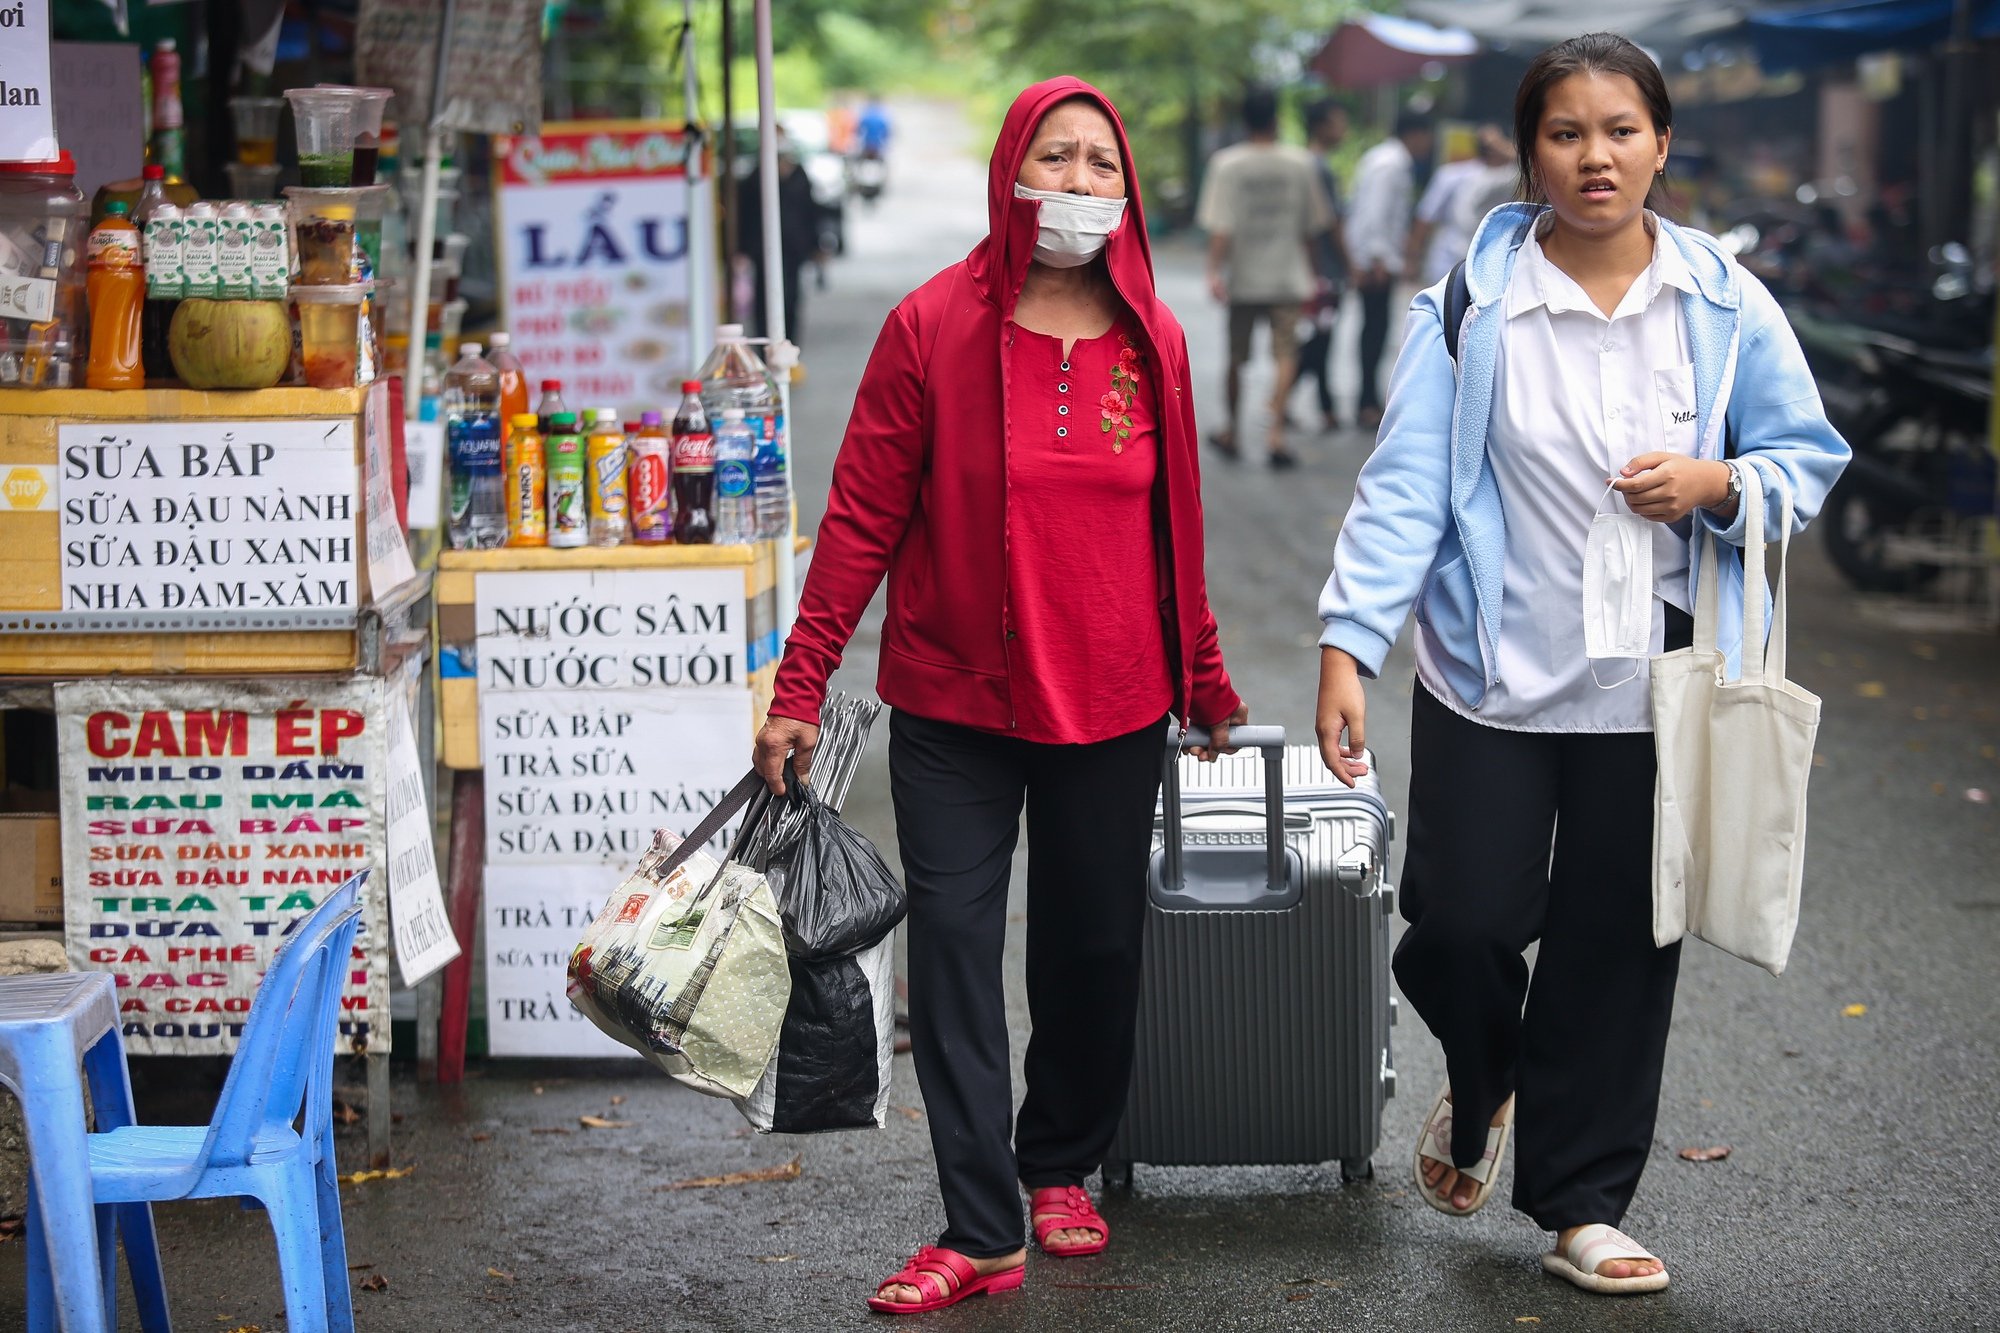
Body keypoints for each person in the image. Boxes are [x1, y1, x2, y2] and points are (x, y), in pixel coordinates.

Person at [1314, 32, 1847, 1298]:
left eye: (1619, 130)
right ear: (1529, 152)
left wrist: (1720, 483)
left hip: (1651, 682)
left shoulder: (1721, 304)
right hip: (1490, 673)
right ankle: (1486, 1073)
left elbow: (1802, 457)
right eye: (1565, 132)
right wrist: (1349, 641)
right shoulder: (1469, 307)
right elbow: (1403, 491)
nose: (1593, 155)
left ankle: (1581, 1204)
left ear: (1661, 145)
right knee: (1458, 926)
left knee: (1617, 945)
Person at [754, 76, 1249, 1316]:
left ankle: (1060, 1163)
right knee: (956, 963)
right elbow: (862, 515)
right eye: (1054, 158)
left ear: (1123, 188)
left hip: (1114, 698)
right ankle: (979, 1224)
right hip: (953, 704)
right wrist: (800, 681)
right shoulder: (930, 325)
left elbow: (1175, 530)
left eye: (1099, 164)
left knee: (1092, 949)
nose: (1078, 184)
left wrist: (1204, 682)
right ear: (1009, 173)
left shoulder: (1155, 340)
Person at [1197, 85, 1334, 468]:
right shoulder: (1300, 164)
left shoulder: (1227, 164)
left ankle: (1231, 430)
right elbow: (1312, 230)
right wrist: (1318, 275)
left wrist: (1213, 272)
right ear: (1276, 118)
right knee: (1286, 354)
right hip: (1289, 276)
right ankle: (1275, 435)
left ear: (1244, 120)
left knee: (1236, 357)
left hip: (1245, 276)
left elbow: (1220, 227)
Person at [1345, 107, 1434, 429]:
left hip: (1374, 258)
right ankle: (1365, 402)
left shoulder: (1384, 159)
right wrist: (1377, 258)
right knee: (1374, 332)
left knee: (1374, 330)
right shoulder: (1391, 164)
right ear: (1415, 134)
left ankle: (1366, 399)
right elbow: (1375, 213)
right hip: (1376, 262)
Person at [1292, 98, 1353, 434]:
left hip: (1313, 267)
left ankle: (1298, 400)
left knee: (1320, 334)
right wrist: (1349, 263)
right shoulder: (1319, 167)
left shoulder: (1303, 162)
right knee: (1321, 336)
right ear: (1321, 126)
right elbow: (1330, 223)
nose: (1342, 129)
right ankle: (1311, 403)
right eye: (1337, 121)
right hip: (1325, 270)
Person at [736, 132, 823, 342]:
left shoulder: (800, 177)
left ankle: (789, 345)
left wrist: (816, 245)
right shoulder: (755, 178)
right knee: (763, 301)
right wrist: (741, 249)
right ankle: (765, 347)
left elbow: (811, 213)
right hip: (762, 250)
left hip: (794, 249)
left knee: (791, 299)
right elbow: (744, 216)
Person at [1408, 123, 1513, 285]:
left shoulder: (1509, 177)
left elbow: (1530, 163)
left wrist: (1499, 143)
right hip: (1448, 261)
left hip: (1487, 264)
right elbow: (1426, 217)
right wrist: (1412, 258)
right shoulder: (1453, 174)